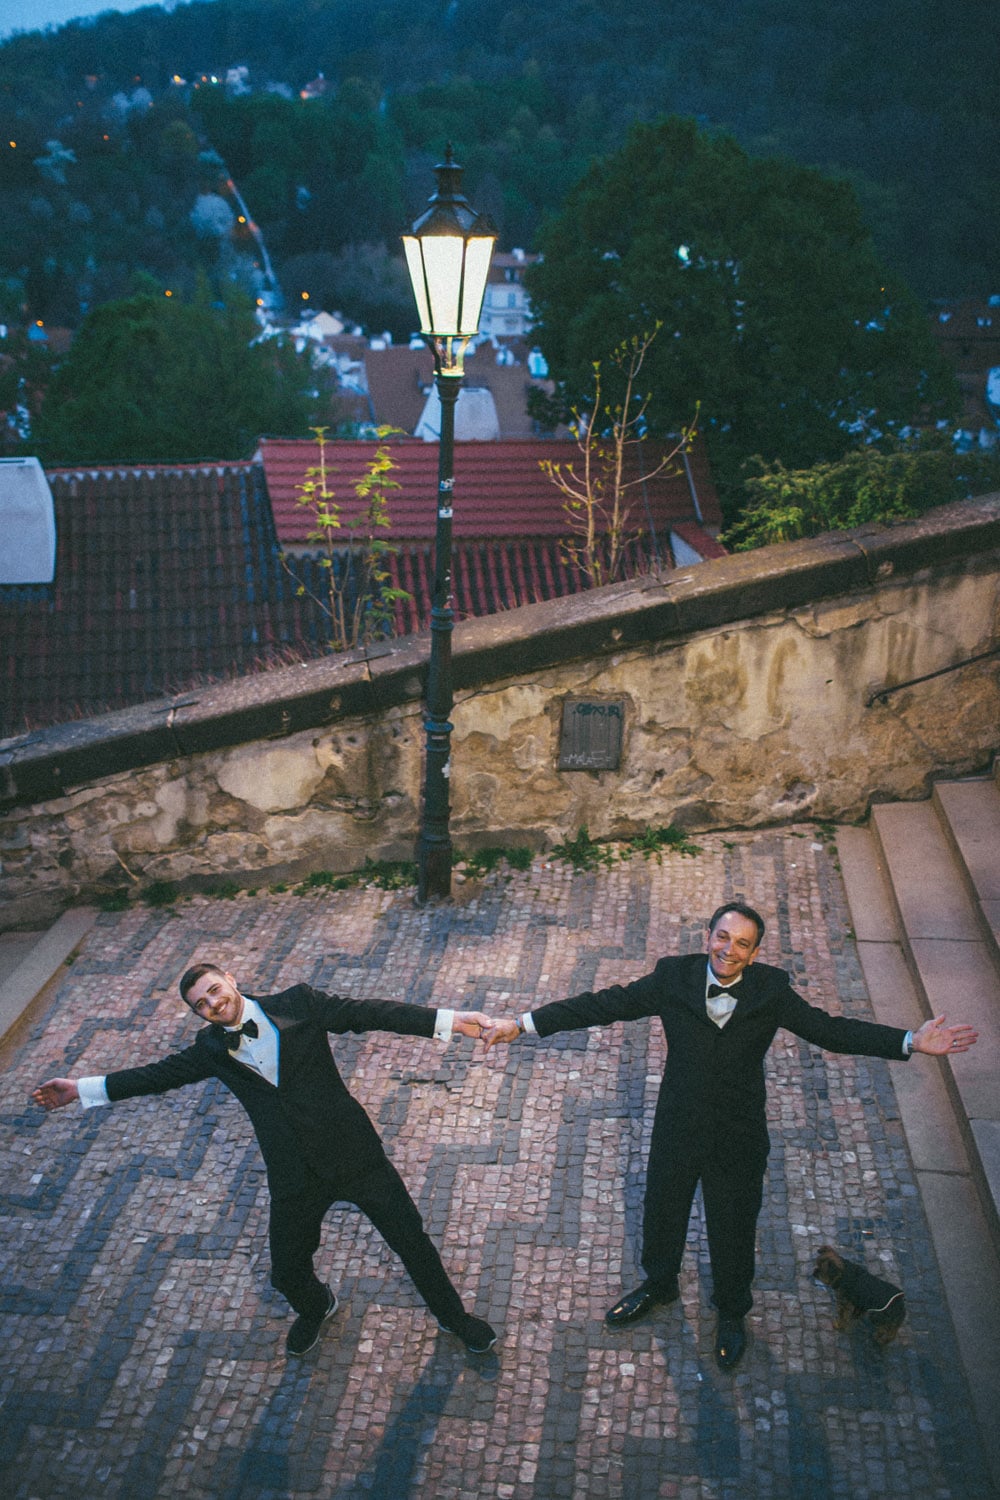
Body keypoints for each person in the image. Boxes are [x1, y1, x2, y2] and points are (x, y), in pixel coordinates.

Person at [483, 901, 978, 1371]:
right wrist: (521, 1025)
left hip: (739, 1134)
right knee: (662, 1211)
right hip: (678, 1124)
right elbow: (601, 1005)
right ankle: (659, 1286)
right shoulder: (672, 977)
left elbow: (830, 1031)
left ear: (754, 953)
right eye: (723, 937)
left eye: (742, 944)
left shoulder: (770, 990)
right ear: (708, 937)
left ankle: (732, 1312)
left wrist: (910, 1040)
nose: (729, 950)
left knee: (733, 1227)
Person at [32, 963, 498, 1358]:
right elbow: (157, 1076)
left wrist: (450, 1021)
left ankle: (455, 1319)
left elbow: (371, 1013)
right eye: (201, 1004)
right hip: (294, 1173)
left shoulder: (300, 1002)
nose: (213, 1004)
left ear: (231, 980)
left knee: (410, 1242)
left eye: (214, 990)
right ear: (198, 1013)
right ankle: (317, 1306)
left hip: (354, 1154)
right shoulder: (211, 1049)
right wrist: (81, 1088)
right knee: (286, 1271)